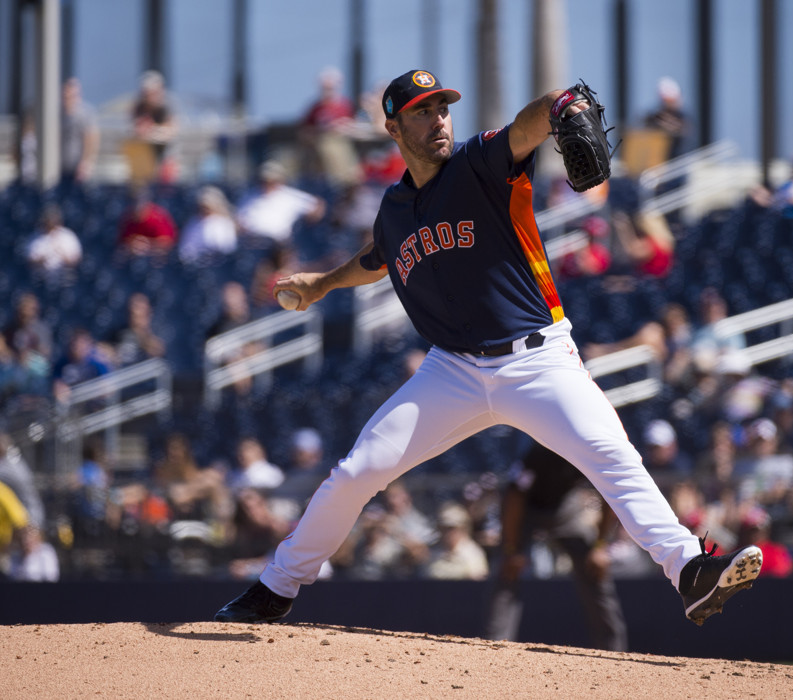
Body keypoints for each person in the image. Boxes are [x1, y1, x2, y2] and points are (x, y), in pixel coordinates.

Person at [215, 68, 762, 626]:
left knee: (613, 459)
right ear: (394, 128)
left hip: (539, 359)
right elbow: (377, 258)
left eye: (443, 108)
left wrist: (557, 104)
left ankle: (689, 569)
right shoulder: (396, 210)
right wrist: (324, 283)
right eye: (422, 112)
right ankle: (274, 588)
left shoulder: (481, 163)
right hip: (451, 372)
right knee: (357, 472)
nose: (438, 120)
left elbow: (525, 127)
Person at [485, 441, 628, 651]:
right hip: (527, 509)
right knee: (508, 568)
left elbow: (610, 494)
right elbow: (514, 497)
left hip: (564, 506)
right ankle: (494, 645)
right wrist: (511, 549)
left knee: (595, 567)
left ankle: (615, 650)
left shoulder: (590, 450)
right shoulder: (539, 452)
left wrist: (600, 546)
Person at [298, 67, 363, 186]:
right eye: (324, 88)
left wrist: (341, 128)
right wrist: (324, 130)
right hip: (319, 149)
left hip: (343, 146)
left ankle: (346, 180)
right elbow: (304, 131)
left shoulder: (345, 105)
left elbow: (355, 125)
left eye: (330, 88)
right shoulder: (315, 108)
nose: (327, 91)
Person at [235, 160, 326, 246]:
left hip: (276, 243)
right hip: (250, 241)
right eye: (264, 181)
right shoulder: (249, 194)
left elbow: (318, 204)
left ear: (279, 180)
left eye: (271, 181)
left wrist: (308, 224)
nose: (267, 184)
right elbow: (239, 218)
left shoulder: (290, 195)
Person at [424, 501, 489, 580]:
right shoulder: (431, 552)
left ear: (462, 528)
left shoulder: (474, 554)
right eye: (443, 528)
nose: (447, 532)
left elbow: (478, 582)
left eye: (451, 528)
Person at [130, 70, 176, 178]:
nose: (147, 96)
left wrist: (152, 131)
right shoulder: (139, 107)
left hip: (166, 156)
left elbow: (171, 131)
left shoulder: (168, 105)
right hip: (144, 156)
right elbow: (137, 130)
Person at [178, 186, 238, 265]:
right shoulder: (193, 223)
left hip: (218, 263)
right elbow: (185, 249)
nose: (204, 210)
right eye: (202, 207)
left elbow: (227, 248)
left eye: (207, 207)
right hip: (195, 264)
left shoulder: (224, 223)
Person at [25, 203, 82, 282]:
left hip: (64, 278)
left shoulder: (67, 236)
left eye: (53, 220)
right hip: (41, 278)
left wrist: (61, 253)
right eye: (48, 220)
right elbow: (29, 260)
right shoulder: (36, 236)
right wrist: (41, 259)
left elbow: (75, 260)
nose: (51, 223)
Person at [108, 292, 166, 368]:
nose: (134, 310)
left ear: (148, 312)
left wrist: (141, 334)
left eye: (139, 308)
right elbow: (105, 348)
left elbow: (157, 351)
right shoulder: (119, 333)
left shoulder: (157, 333)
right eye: (131, 310)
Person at [60, 77, 100, 185]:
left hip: (79, 168)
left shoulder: (86, 113)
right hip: (60, 167)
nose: (68, 98)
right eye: (65, 96)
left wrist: (86, 163)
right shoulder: (58, 113)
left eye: (71, 95)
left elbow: (91, 139)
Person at [117, 187, 178, 257]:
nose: (138, 208)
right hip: (132, 257)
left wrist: (147, 243)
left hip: (155, 256)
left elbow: (168, 243)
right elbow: (122, 241)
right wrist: (134, 243)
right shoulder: (128, 218)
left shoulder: (158, 217)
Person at [644, 76, 688, 160]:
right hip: (659, 162)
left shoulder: (683, 117)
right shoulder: (655, 115)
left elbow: (683, 133)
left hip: (677, 162)